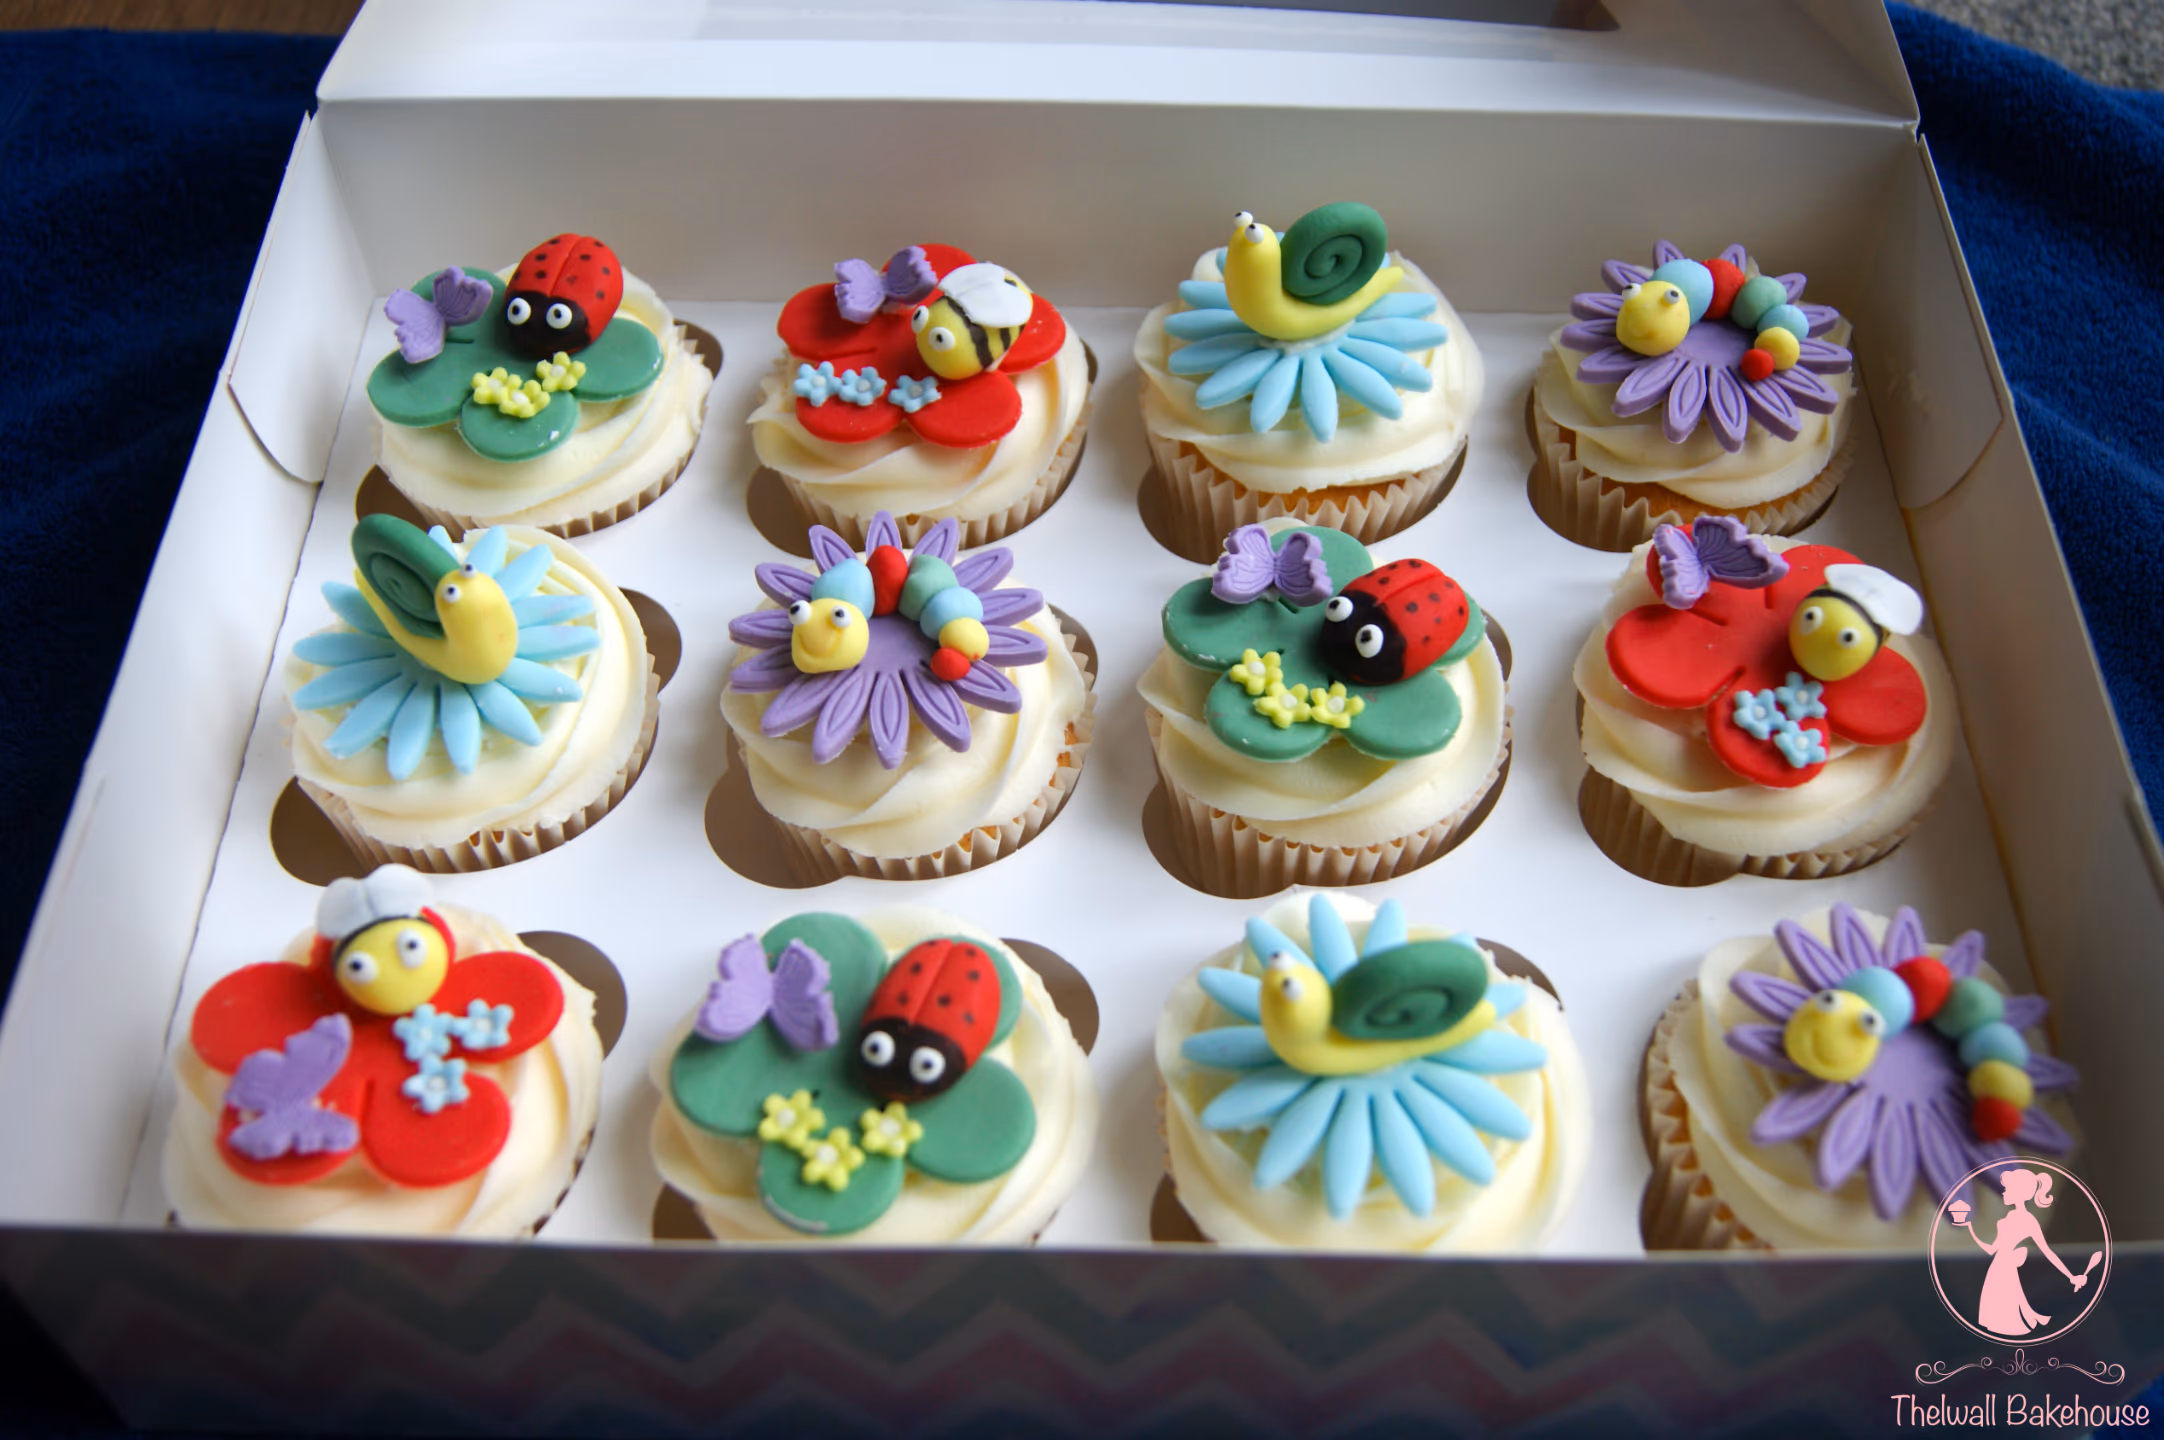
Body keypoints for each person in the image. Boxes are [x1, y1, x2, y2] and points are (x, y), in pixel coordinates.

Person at [1953, 1168, 2091, 1336]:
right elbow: (1990, 1249)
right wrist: (1969, 1229)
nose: (2003, 1191)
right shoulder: (2006, 1219)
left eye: (2008, 1188)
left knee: (2004, 1326)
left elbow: (2047, 1252)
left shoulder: (2028, 1221)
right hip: (1995, 1270)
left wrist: (2071, 1276)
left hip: (2006, 1271)